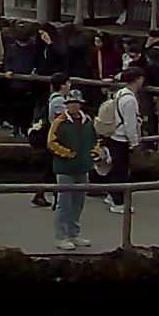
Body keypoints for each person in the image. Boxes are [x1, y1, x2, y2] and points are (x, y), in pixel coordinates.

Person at [43, 83, 96, 250]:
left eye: (76, 102)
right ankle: (61, 236)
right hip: (65, 168)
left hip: (83, 166)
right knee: (64, 203)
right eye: (71, 102)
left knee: (78, 202)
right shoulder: (60, 122)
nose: (74, 105)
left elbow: (95, 140)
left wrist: (95, 152)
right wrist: (67, 153)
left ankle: (74, 233)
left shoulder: (88, 121)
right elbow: (51, 142)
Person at [98, 69, 148, 204]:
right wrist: (135, 141)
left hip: (114, 134)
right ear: (137, 79)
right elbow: (130, 124)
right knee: (121, 172)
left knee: (115, 169)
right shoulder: (130, 99)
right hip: (121, 138)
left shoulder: (120, 93)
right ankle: (118, 202)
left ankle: (111, 195)